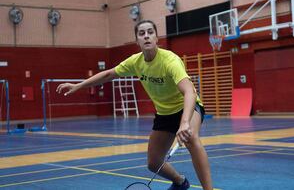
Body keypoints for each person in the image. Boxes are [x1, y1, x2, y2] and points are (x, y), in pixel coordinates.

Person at [56, 20, 213, 190]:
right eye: (142, 33)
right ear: (137, 40)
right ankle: (180, 182)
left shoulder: (170, 60)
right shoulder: (135, 62)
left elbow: (190, 92)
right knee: (153, 163)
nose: (146, 36)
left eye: (150, 32)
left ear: (156, 38)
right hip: (164, 113)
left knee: (191, 139)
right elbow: (108, 74)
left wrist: (184, 123)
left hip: (187, 107)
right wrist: (78, 85)